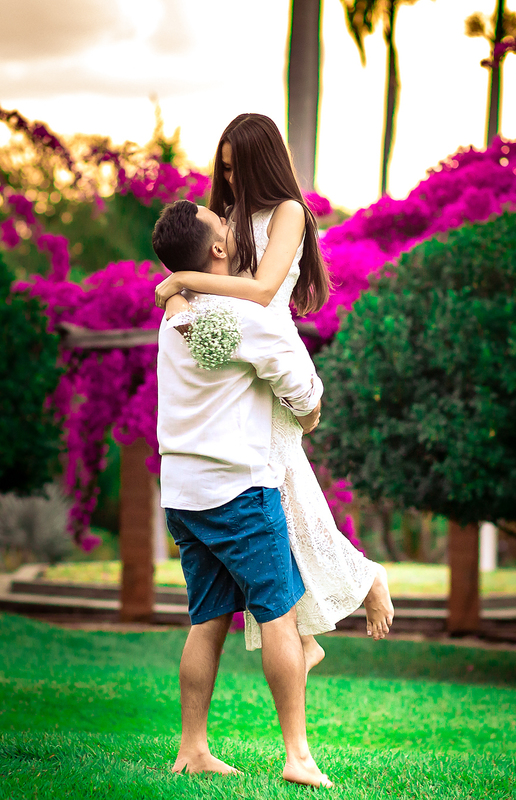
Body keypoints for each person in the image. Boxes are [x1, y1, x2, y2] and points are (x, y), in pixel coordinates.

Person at [155, 113, 394, 663]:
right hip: (242, 356)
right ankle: (307, 631)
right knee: (283, 498)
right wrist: (174, 297)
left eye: (239, 170)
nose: (232, 182)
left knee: (287, 496)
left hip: (266, 344)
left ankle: (357, 584)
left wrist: (181, 282)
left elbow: (260, 290)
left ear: (264, 163)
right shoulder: (226, 218)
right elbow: (195, 264)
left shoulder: (289, 212)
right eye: (225, 171)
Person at [153, 200, 332, 788]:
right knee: (280, 619)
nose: (231, 223)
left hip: (182, 494)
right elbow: (305, 395)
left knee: (207, 620)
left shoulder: (176, 316)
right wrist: (306, 415)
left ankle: (193, 747)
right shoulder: (246, 318)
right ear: (220, 250)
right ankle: (298, 756)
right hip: (239, 491)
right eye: (221, 222)